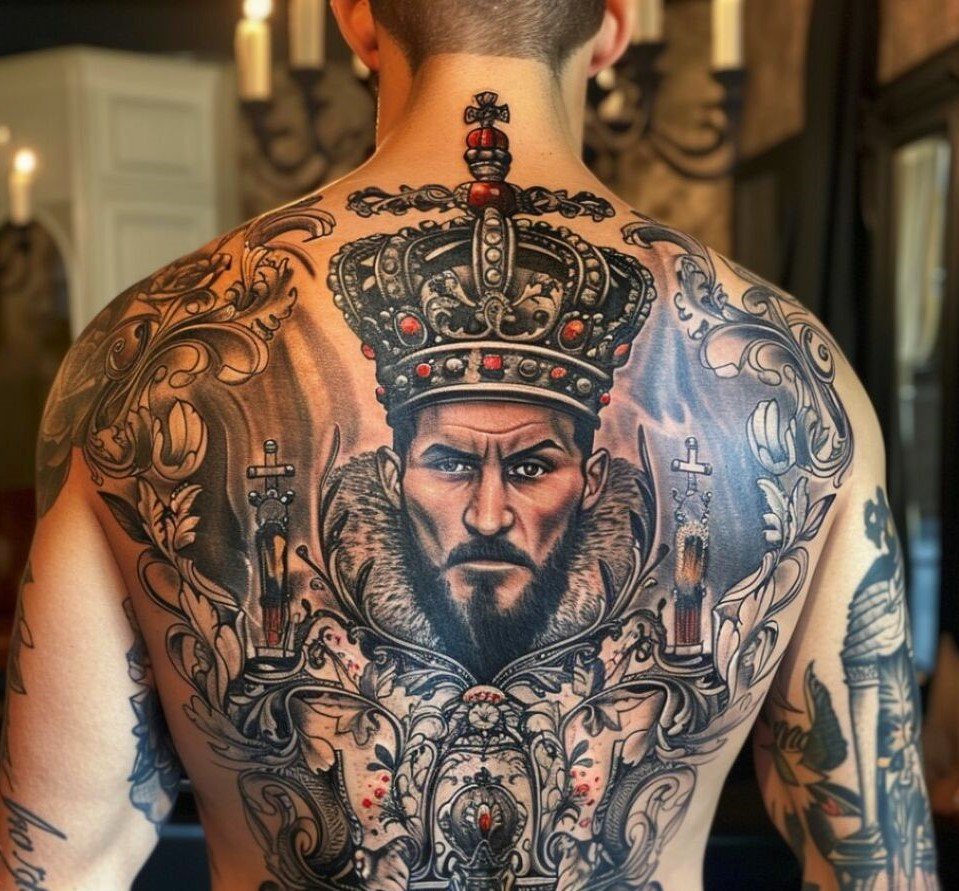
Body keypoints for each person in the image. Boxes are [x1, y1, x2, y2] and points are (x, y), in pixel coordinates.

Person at [0, 1, 939, 888]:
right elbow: (878, 866)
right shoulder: (794, 383)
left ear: (356, 16)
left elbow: (58, 865)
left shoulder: (140, 367)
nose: (488, 512)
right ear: (614, 21)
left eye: (531, 464)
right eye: (450, 461)